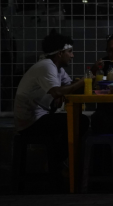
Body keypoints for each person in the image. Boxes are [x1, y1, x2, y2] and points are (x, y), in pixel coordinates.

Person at [13, 29, 90, 181]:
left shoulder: (58, 69)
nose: (73, 56)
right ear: (60, 53)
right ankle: (56, 163)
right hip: (30, 122)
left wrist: (91, 75)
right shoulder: (46, 66)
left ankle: (57, 163)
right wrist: (83, 81)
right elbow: (57, 92)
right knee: (81, 121)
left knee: (75, 121)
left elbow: (70, 88)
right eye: (70, 52)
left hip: (40, 117)